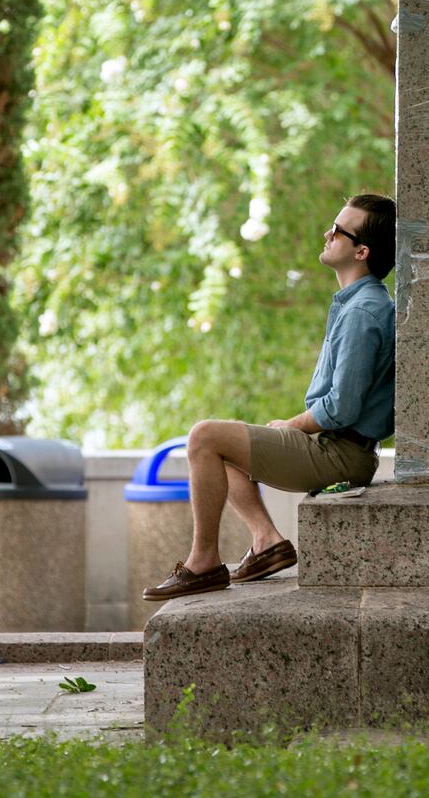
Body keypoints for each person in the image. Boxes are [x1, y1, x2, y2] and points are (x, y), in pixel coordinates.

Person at [143, 193, 396, 601]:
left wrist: (290, 425)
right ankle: (266, 541)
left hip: (341, 454)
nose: (328, 234)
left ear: (361, 251)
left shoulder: (364, 312)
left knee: (204, 437)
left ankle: (203, 561)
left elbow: (342, 407)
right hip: (341, 447)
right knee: (219, 451)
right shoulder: (359, 304)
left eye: (339, 230)